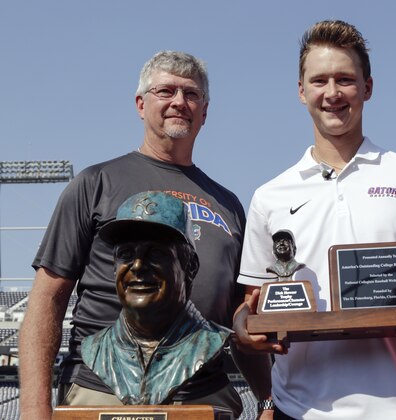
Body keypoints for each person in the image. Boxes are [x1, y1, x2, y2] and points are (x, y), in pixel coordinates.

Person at [233, 20, 396, 419]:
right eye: (319, 80)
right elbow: (251, 305)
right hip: (302, 410)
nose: (332, 93)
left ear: (367, 87)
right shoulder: (269, 196)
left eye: (345, 79)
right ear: (301, 90)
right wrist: (243, 329)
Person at [19, 51, 271, 419]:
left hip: (203, 392)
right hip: (101, 390)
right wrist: (34, 408)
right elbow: (47, 300)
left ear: (205, 109)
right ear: (140, 104)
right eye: (165, 91)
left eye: (191, 94)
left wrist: (266, 399)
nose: (179, 102)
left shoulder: (228, 204)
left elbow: (240, 311)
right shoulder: (95, 183)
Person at [82, 191, 233, 406]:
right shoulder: (95, 349)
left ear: (190, 267)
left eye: (155, 254)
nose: (137, 266)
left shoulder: (211, 342)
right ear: (113, 268)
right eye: (126, 254)